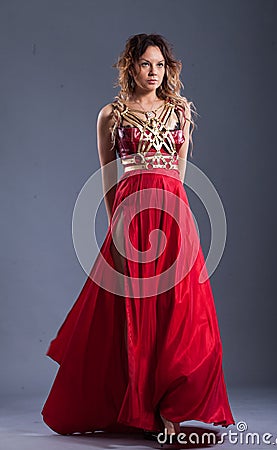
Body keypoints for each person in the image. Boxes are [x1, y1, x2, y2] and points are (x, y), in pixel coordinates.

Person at [41, 33, 235, 444]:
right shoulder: (111, 115)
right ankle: (144, 411)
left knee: (182, 312)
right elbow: (108, 179)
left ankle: (174, 409)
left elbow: (180, 173)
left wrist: (174, 213)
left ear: (168, 68)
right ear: (130, 66)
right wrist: (119, 227)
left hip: (175, 216)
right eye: (146, 64)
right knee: (134, 314)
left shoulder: (180, 111)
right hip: (131, 218)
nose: (153, 72)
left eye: (160, 65)